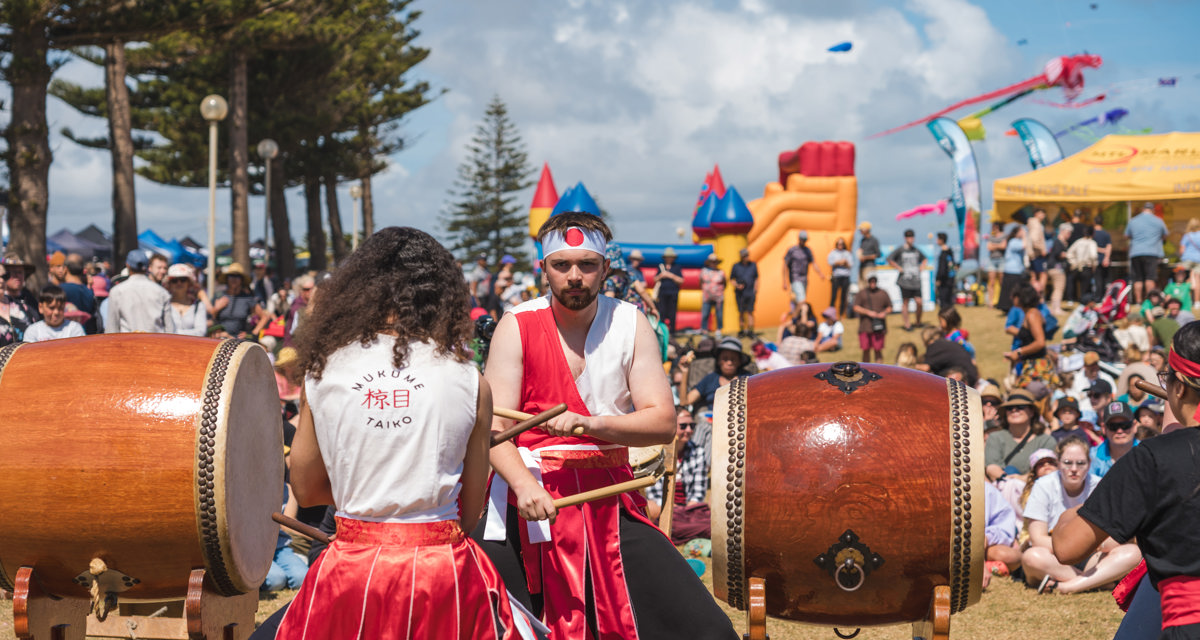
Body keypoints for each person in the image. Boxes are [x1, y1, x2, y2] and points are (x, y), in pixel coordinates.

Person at [477, 212, 737, 640]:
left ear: (605, 269)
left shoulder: (630, 322)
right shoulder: (516, 324)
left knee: (708, 629)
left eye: (587, 265)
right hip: (525, 499)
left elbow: (662, 422)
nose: (574, 276)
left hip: (610, 501)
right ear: (543, 268)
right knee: (482, 618)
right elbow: (494, 428)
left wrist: (591, 424)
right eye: (562, 265)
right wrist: (524, 487)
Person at [276, 227, 528, 639]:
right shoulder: (470, 380)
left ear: (357, 291)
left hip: (351, 571)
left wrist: (369, 503)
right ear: (440, 294)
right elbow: (471, 508)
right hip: (441, 571)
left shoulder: (322, 375)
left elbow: (305, 490)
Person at [1021, 436, 1141, 595]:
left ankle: (1069, 586)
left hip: (1091, 554)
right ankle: (1099, 582)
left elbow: (1117, 535)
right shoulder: (1043, 485)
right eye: (1067, 463)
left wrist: (1094, 546)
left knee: (1133, 553)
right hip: (1054, 556)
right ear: (1058, 464)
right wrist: (1074, 547)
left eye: (1080, 463)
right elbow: (1037, 538)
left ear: (1089, 464)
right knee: (1032, 557)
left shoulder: (1099, 485)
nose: (1074, 469)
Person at [644, 406, 711, 545]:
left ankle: (677, 532)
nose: (689, 430)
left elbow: (698, 494)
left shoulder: (698, 451)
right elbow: (655, 494)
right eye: (683, 426)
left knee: (709, 511)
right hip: (665, 508)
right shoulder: (656, 451)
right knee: (650, 509)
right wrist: (673, 510)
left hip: (689, 510)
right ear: (671, 426)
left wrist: (686, 510)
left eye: (692, 425)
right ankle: (694, 531)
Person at [985, 389, 1059, 481]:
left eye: (1020, 406)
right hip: (1003, 489)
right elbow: (991, 467)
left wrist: (1021, 479)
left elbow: (1048, 471)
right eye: (1009, 407)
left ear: (1032, 412)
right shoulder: (995, 438)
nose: (1014, 410)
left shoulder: (1046, 440)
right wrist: (1009, 481)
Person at [1004, 283, 1061, 388]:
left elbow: (1040, 342)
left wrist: (1019, 352)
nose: (1011, 298)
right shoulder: (1029, 313)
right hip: (1030, 365)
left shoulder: (1032, 314)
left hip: (1037, 368)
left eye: (1014, 295)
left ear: (1021, 297)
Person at [106, 250, 175, 334]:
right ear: (147, 267)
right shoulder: (162, 292)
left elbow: (112, 328)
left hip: (127, 343)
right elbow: (170, 329)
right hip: (155, 343)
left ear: (127, 265)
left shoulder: (117, 291)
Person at [679, 336, 754, 412]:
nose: (729, 363)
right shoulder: (710, 379)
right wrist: (685, 371)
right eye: (725, 359)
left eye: (733, 359)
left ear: (739, 362)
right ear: (718, 361)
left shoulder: (748, 379)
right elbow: (684, 402)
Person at [1126, 202, 1169, 305]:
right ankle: (1150, 301)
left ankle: (1138, 301)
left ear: (1142, 209)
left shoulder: (1133, 221)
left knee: (1138, 279)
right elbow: (1165, 235)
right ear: (1153, 210)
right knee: (1150, 278)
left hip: (1136, 252)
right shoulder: (1158, 221)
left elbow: (1127, 235)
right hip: (1152, 252)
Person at [210, 263, 264, 339]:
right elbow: (210, 318)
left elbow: (264, 317)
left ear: (241, 280)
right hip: (220, 337)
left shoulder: (247, 298)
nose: (234, 279)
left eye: (237, 276)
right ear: (227, 278)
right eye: (231, 276)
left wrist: (252, 334)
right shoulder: (219, 296)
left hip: (238, 340)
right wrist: (216, 309)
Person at [886, 229, 926, 330]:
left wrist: (922, 267)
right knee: (905, 302)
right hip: (905, 281)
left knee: (919, 302)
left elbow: (924, 258)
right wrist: (898, 267)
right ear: (905, 238)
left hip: (916, 280)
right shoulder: (900, 250)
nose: (911, 239)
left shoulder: (916, 250)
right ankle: (907, 324)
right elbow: (889, 258)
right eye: (909, 237)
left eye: (912, 237)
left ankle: (918, 322)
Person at [1090, 400, 1140, 478]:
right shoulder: (1092, 457)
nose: (1119, 431)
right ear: (1104, 429)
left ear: (1135, 426)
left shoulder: (1147, 454)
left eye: (1125, 425)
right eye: (1113, 426)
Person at [782, 230, 826, 310]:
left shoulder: (807, 251)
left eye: (805, 239)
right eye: (802, 239)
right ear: (799, 239)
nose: (804, 241)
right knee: (802, 300)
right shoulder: (792, 250)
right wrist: (784, 281)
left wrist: (820, 273)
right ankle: (797, 319)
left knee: (797, 301)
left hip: (804, 279)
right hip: (795, 278)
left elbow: (814, 263)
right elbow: (785, 265)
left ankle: (796, 320)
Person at [852, 275, 891, 363]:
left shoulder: (883, 293)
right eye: (871, 281)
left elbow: (890, 307)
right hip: (865, 327)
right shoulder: (862, 293)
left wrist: (883, 313)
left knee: (878, 350)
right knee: (865, 350)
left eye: (874, 281)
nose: (872, 284)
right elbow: (855, 307)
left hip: (879, 327)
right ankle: (866, 370)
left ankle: (880, 370)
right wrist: (868, 312)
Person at [0, 259, 38, 346]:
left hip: (24, 356)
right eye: (12, 273)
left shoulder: (24, 304)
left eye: (4, 276)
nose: (1, 280)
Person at [165, 264, 207, 337]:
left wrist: (173, 332)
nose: (179, 283)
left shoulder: (198, 305)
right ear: (169, 284)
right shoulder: (164, 304)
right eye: (174, 280)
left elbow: (201, 332)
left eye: (183, 279)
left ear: (189, 283)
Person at [997, 223, 1026, 313]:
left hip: (1015, 270)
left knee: (1010, 290)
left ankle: (1010, 307)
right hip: (1012, 270)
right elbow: (1024, 245)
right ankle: (1007, 307)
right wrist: (1025, 236)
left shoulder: (1014, 241)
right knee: (1011, 291)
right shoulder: (1014, 241)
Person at [731, 247, 759, 338]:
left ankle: (751, 331)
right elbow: (731, 279)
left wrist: (755, 289)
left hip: (750, 292)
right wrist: (737, 285)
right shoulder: (736, 266)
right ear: (741, 257)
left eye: (747, 255)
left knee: (750, 311)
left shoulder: (753, 265)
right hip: (740, 294)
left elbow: (756, 278)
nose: (746, 257)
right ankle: (742, 330)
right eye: (744, 256)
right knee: (741, 312)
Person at [655, 247, 685, 334]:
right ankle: (662, 331)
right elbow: (655, 279)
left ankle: (672, 332)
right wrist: (661, 275)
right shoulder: (661, 266)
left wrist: (670, 275)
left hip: (673, 293)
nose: (669, 258)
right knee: (662, 312)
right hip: (662, 293)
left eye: (670, 257)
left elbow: (681, 280)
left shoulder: (677, 267)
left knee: (672, 314)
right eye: (667, 257)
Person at [1067, 223, 1099, 303]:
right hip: (1087, 267)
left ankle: (1072, 299)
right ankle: (1083, 301)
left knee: (1076, 285)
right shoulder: (1092, 243)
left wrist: (1074, 262)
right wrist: (1094, 266)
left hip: (1077, 267)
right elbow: (1093, 255)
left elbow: (1069, 253)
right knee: (1085, 287)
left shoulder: (1078, 242)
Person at [1047, 222, 1072, 316]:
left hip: (1054, 268)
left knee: (1057, 288)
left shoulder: (1059, 241)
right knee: (1058, 288)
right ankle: (1056, 308)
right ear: (1062, 231)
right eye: (1068, 232)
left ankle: (1054, 308)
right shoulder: (1058, 242)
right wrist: (1070, 255)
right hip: (1057, 269)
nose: (1069, 235)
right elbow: (1059, 254)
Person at [699, 253, 726, 334]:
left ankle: (718, 331)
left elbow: (725, 283)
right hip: (707, 298)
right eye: (712, 262)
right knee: (705, 314)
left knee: (719, 315)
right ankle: (704, 331)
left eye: (715, 262)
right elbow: (700, 282)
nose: (713, 263)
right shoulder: (704, 271)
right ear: (709, 263)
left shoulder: (721, 272)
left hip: (718, 298)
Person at [827, 236, 853, 317]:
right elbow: (830, 262)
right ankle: (831, 314)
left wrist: (845, 263)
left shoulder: (847, 253)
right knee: (833, 296)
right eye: (838, 244)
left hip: (845, 277)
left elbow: (851, 264)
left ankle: (841, 314)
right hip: (836, 277)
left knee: (843, 297)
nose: (840, 245)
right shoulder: (833, 253)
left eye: (841, 244)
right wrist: (839, 262)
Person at [985, 221, 1007, 308]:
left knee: (1002, 281)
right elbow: (989, 247)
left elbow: (1003, 246)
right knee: (991, 282)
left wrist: (994, 245)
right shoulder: (991, 236)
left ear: (997, 227)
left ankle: (1002, 301)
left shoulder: (1004, 235)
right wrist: (998, 245)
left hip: (1001, 260)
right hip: (992, 260)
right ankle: (991, 302)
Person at [1027, 208, 1049, 295]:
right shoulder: (1036, 224)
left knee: (1033, 275)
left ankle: (1033, 294)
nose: (1044, 215)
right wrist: (1042, 249)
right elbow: (1034, 240)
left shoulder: (1032, 223)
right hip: (1037, 254)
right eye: (1042, 213)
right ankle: (1039, 294)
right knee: (1043, 274)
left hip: (1032, 254)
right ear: (1037, 213)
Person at [1181, 217, 1200, 311]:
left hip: (1187, 259)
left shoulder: (1187, 236)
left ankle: (1186, 300)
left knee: (1186, 280)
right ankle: (1197, 302)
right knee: (1198, 281)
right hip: (1198, 259)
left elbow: (1182, 250)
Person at [934, 232, 956, 309]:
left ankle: (946, 319)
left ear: (941, 240)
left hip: (944, 281)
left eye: (937, 239)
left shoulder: (943, 253)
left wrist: (938, 279)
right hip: (950, 280)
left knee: (944, 302)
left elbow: (942, 268)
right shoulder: (950, 251)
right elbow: (953, 266)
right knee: (949, 301)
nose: (936, 240)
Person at [856, 221, 880, 291]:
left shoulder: (874, 240)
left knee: (868, 286)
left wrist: (866, 257)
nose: (860, 231)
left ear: (867, 230)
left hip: (870, 266)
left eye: (861, 229)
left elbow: (878, 254)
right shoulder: (862, 240)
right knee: (861, 287)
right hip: (862, 266)